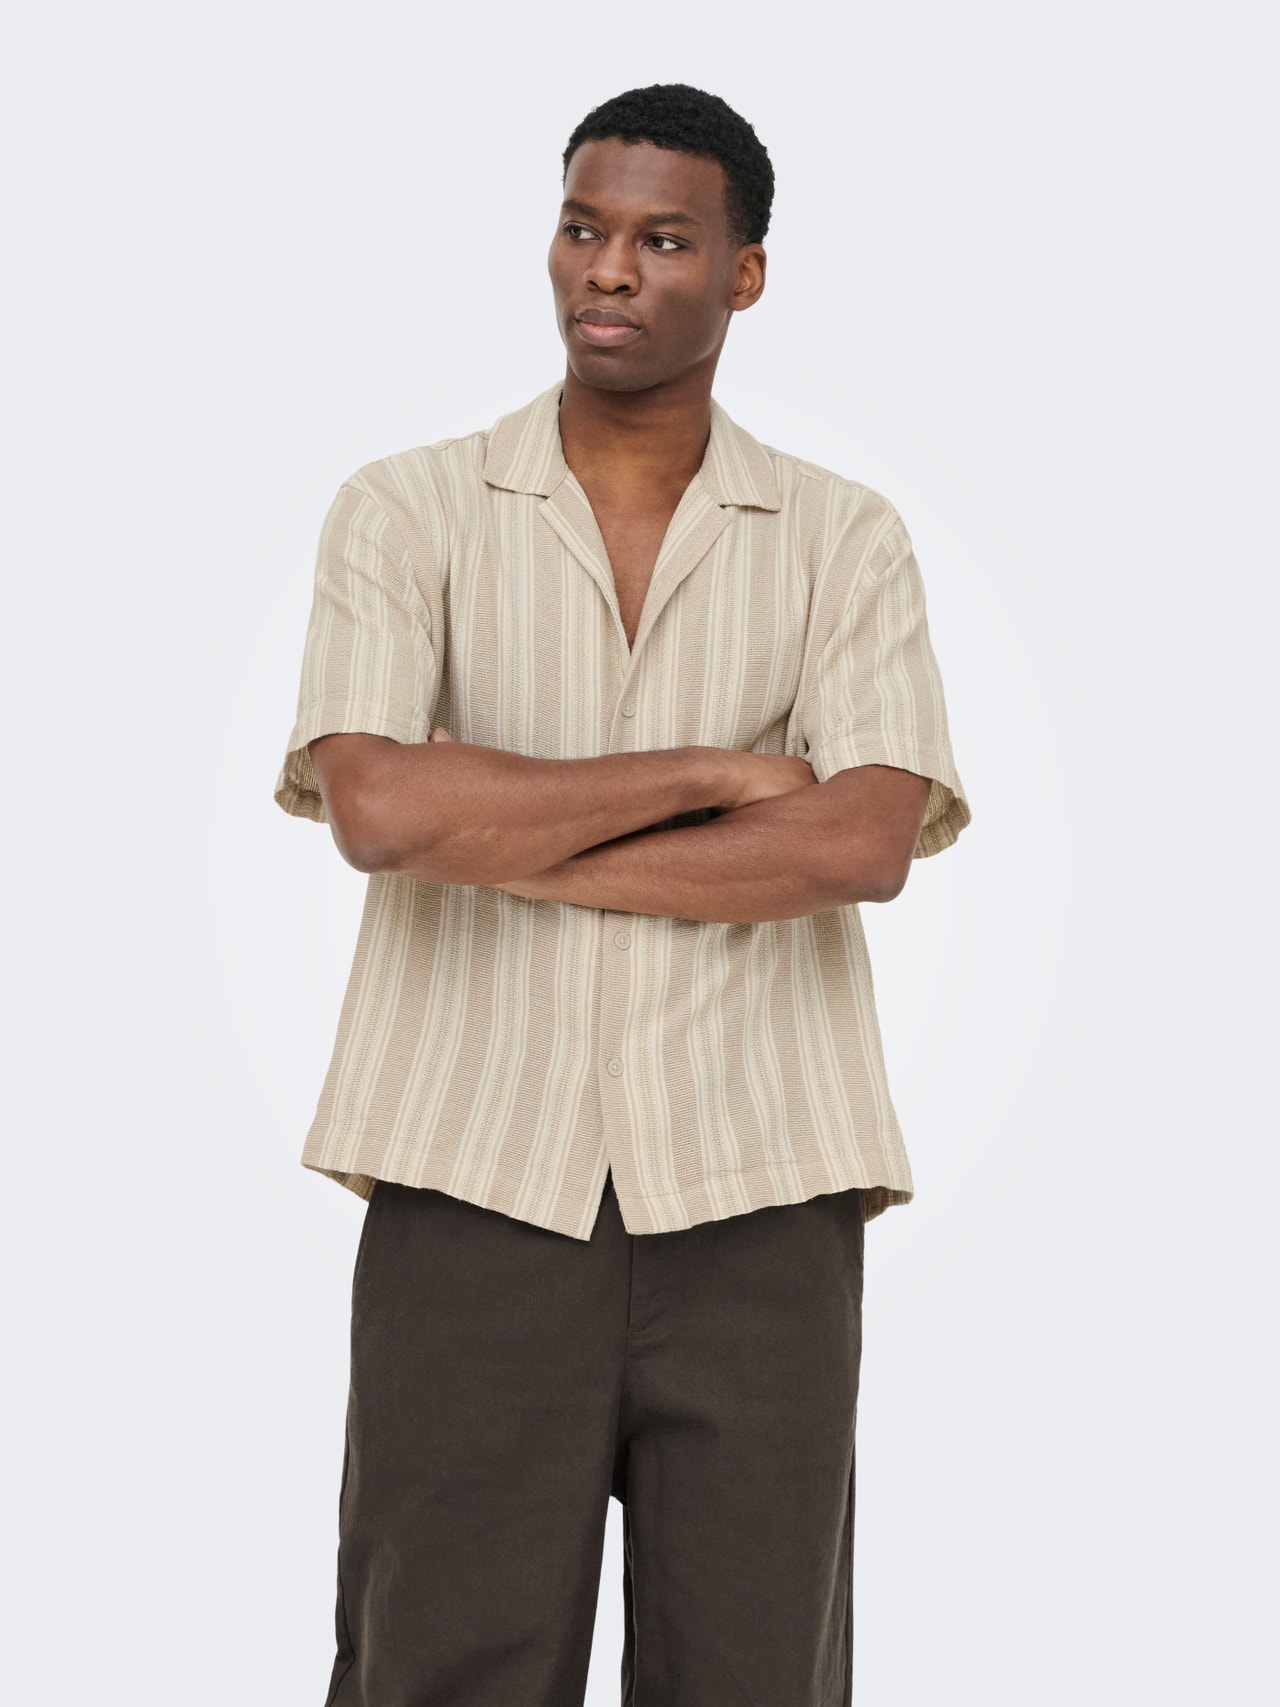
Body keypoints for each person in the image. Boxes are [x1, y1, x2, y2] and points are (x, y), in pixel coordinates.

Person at [274, 81, 970, 1707]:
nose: (608, 268)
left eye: (663, 240)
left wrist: (501, 823)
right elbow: (379, 808)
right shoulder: (405, 509)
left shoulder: (846, 539)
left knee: (757, 1675)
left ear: (744, 274)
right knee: (434, 1668)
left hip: (763, 1189)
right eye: (584, 228)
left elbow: (861, 843)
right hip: (471, 1181)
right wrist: (719, 772)